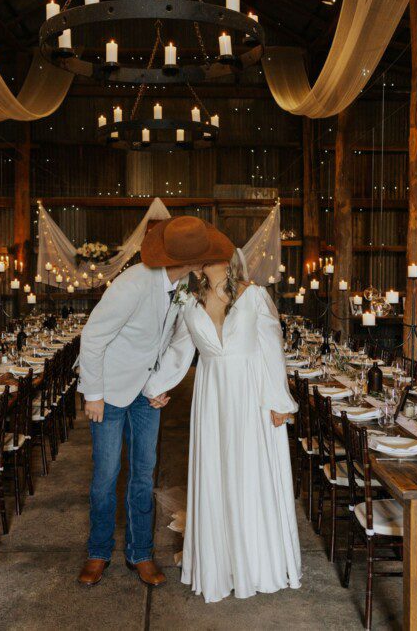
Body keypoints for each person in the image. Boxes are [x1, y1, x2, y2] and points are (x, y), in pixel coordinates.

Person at [76, 216, 235, 588]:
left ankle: (140, 554)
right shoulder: (131, 285)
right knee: (105, 477)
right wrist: (93, 394)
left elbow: (178, 340)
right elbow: (93, 337)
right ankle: (98, 552)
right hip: (111, 393)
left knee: (144, 475)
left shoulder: (181, 287)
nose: (204, 264)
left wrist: (161, 384)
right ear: (188, 261)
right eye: (201, 258)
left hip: (147, 394)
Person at [144, 249, 301, 603]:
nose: (200, 260)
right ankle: (220, 560)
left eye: (207, 254)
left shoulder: (254, 295)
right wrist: (155, 388)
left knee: (247, 474)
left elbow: (271, 348)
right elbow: (179, 351)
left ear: (226, 260)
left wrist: (279, 401)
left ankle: (255, 562)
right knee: (216, 473)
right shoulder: (190, 302)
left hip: (250, 395)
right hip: (212, 397)